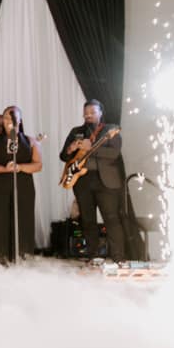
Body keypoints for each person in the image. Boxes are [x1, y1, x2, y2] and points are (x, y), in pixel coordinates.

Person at [59, 99, 127, 261]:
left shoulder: (110, 130)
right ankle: (93, 256)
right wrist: (71, 148)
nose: (88, 115)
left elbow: (113, 154)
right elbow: (63, 156)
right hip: (82, 181)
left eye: (92, 112)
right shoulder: (76, 131)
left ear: (101, 113)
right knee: (87, 220)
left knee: (111, 219)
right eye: (86, 113)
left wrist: (91, 149)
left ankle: (118, 258)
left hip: (106, 181)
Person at [0, 105, 42, 263]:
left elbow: (38, 165)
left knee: (23, 218)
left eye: (13, 118)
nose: (9, 121)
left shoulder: (31, 141)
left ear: (20, 120)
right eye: (6, 118)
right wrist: (4, 169)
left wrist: (19, 167)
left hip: (23, 186)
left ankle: (22, 255)